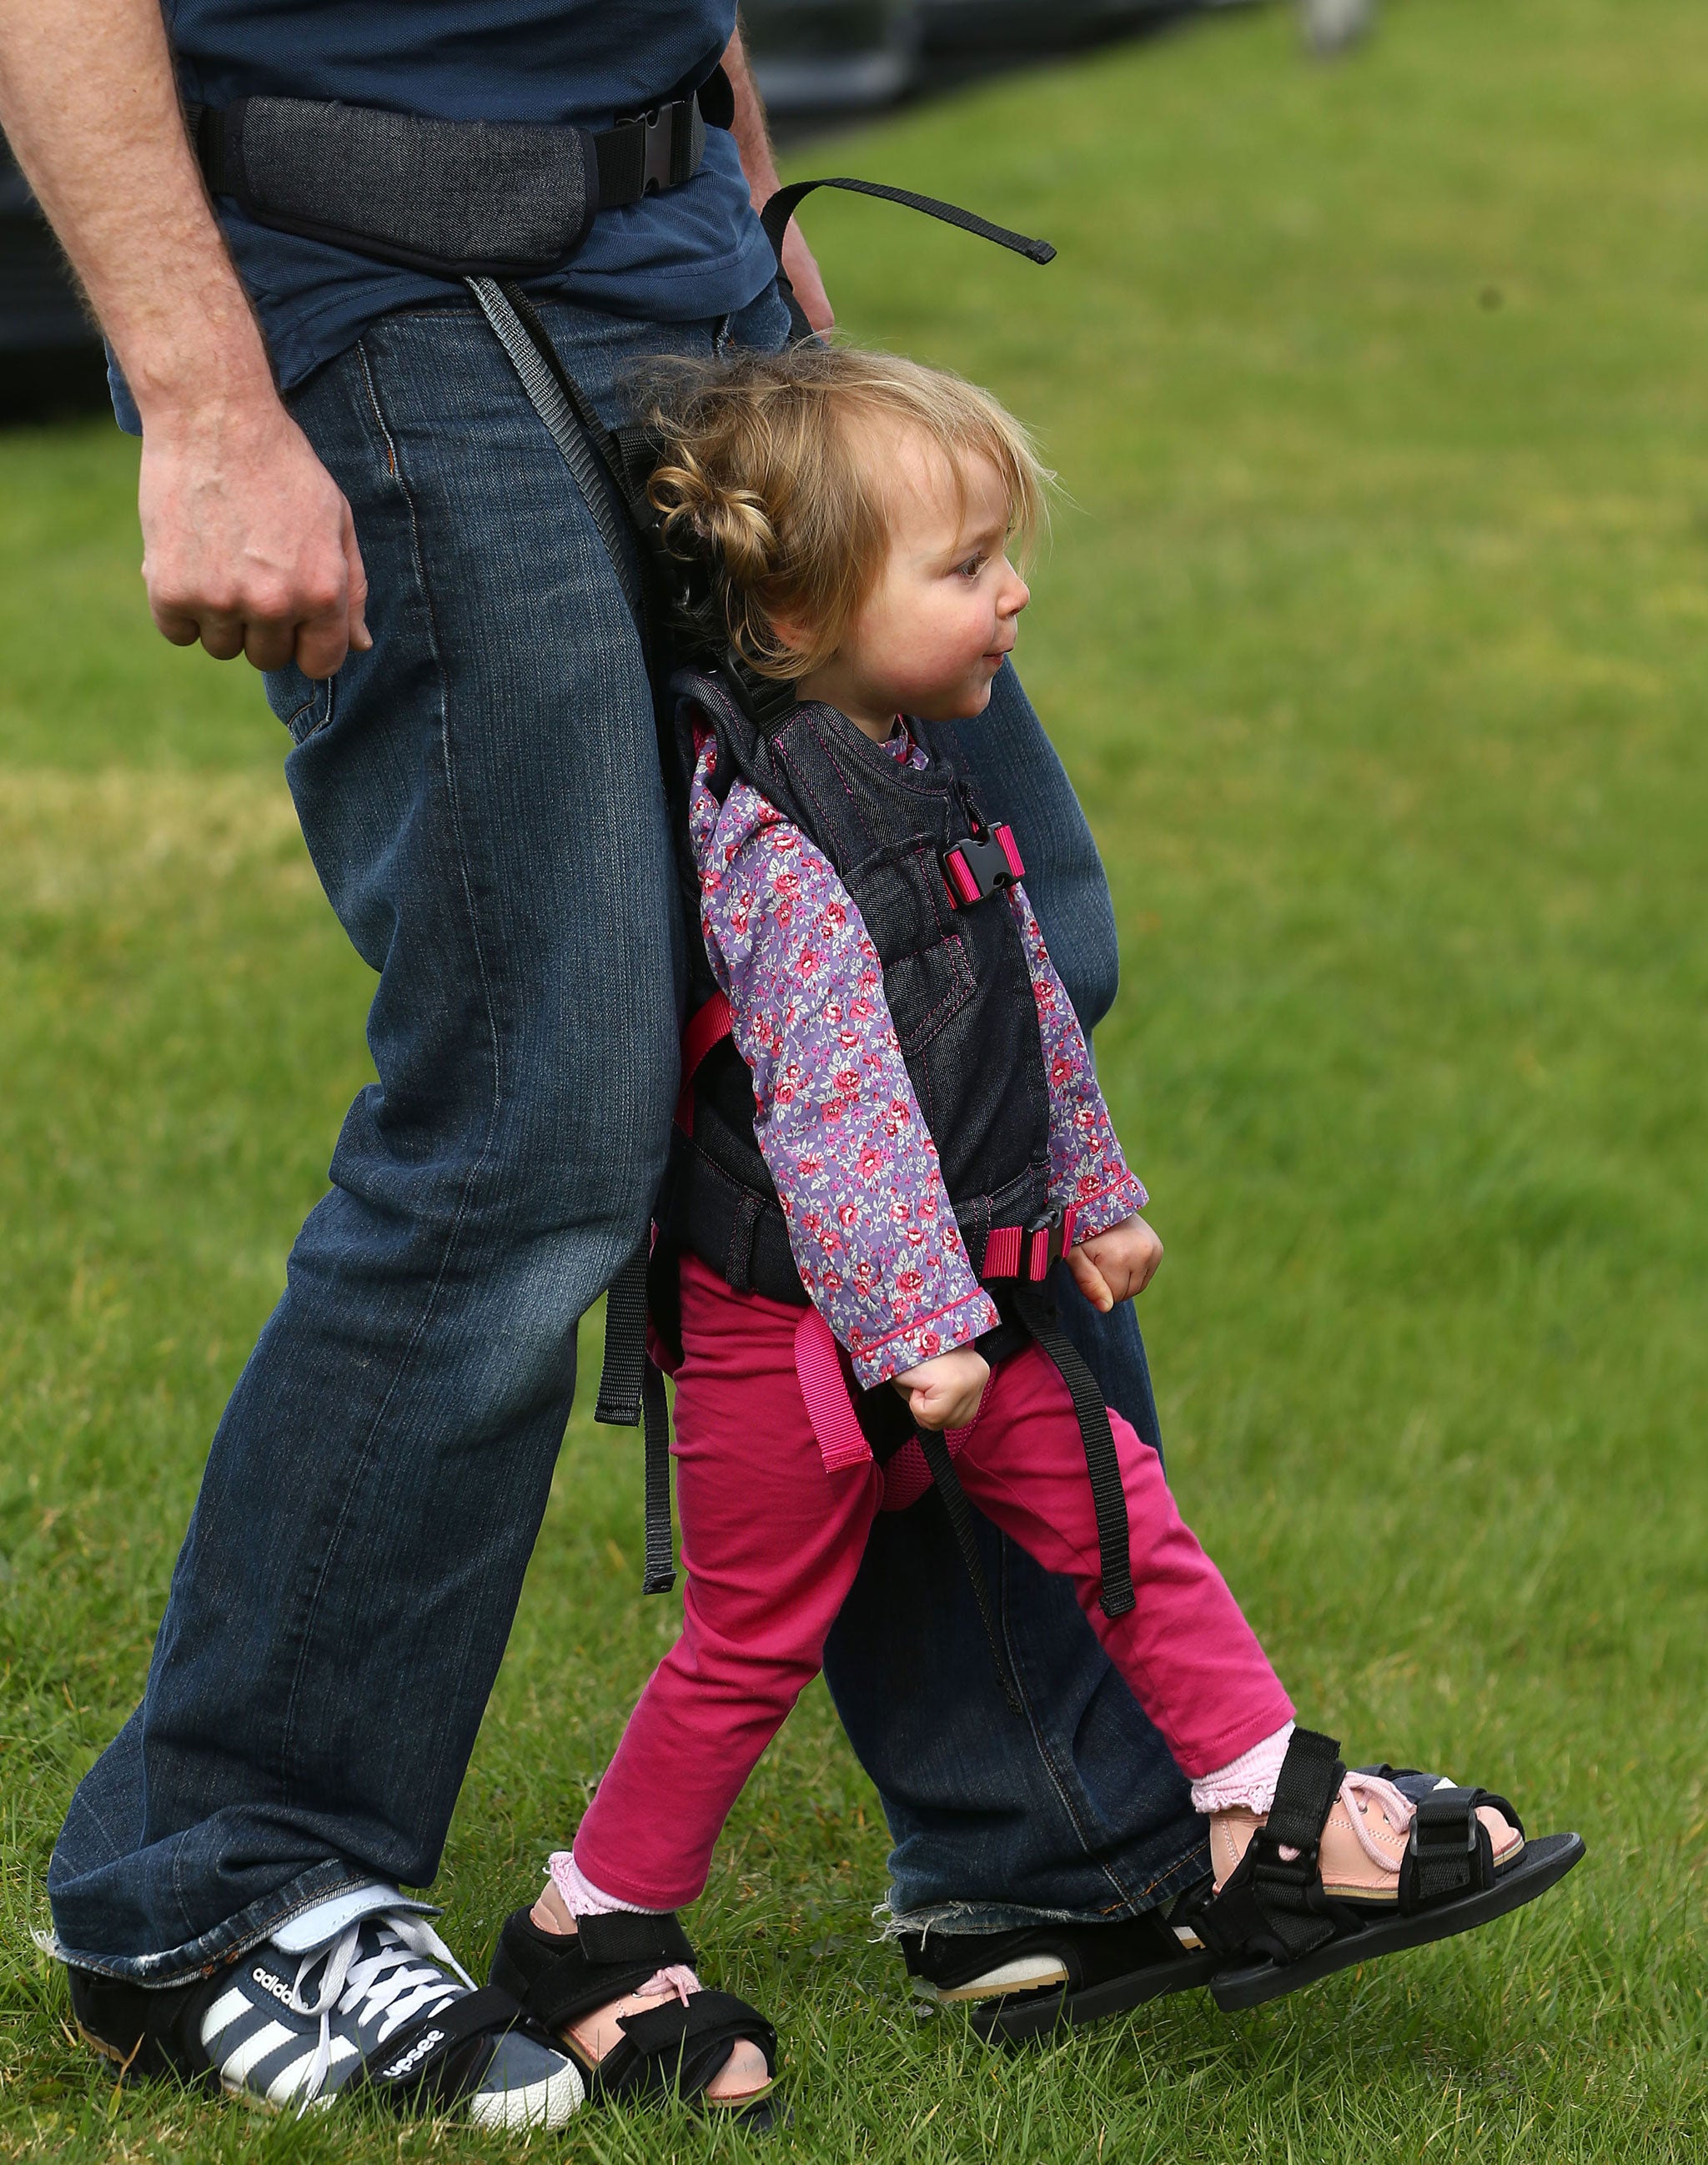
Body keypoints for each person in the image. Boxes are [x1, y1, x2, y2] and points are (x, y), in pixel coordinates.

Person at [0, 0, 1213, 2125]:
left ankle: (1062, 1837)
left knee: (995, 968)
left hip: (669, 231)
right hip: (365, 277)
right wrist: (201, 394)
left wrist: (743, 205)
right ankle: (215, 1882)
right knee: (536, 1104)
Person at [482, 343, 1580, 2107]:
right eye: (966, 564)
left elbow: (1020, 1001)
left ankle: (1257, 1810)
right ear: (802, 603)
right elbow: (832, 1117)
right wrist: (918, 1326)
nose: (1013, 593)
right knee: (751, 1633)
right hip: (809, 1337)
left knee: (1122, 1521)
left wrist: (1090, 1193)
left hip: (954, 1311)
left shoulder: (914, 761)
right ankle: (588, 1927)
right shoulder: (777, 837)